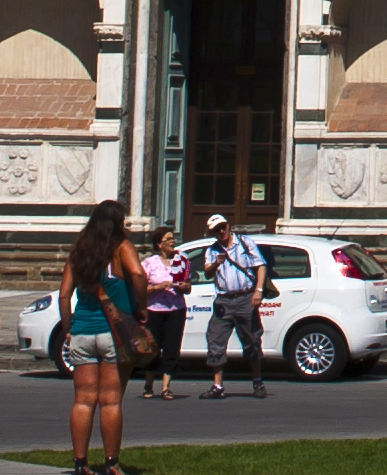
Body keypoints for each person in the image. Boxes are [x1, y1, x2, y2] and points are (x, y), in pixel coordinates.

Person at [55, 199, 144, 475]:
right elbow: (138, 275)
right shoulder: (121, 248)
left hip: (82, 332)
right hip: (113, 334)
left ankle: (80, 463)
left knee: (83, 400)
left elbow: (64, 294)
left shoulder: (79, 250)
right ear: (117, 223)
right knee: (110, 401)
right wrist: (141, 309)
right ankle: (111, 464)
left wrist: (69, 327)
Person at [199, 215, 270, 397]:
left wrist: (258, 291)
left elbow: (260, 266)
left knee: (252, 340)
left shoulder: (245, 243)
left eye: (223, 227)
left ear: (228, 225)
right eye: (217, 230)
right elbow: (207, 273)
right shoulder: (212, 250)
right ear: (212, 233)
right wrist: (216, 263)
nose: (221, 232)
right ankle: (218, 386)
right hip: (223, 301)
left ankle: (257, 382)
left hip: (245, 298)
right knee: (215, 339)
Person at [136, 224, 187, 400]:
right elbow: (139, 289)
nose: (173, 242)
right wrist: (157, 287)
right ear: (159, 244)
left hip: (176, 309)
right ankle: (149, 383)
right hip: (154, 310)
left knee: (172, 348)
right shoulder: (149, 263)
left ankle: (166, 387)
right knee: (153, 348)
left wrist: (185, 286)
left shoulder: (181, 260)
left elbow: (188, 285)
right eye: (168, 239)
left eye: (173, 238)